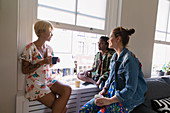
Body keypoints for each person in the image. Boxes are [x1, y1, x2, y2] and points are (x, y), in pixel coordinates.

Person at [79, 27, 148, 113]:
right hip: (111, 93)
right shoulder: (114, 57)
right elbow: (110, 78)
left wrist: (109, 100)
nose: (108, 40)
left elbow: (130, 90)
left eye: (110, 37)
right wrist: (104, 90)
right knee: (83, 111)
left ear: (118, 39)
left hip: (125, 100)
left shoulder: (130, 60)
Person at [19, 20, 71, 113]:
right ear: (41, 32)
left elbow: (47, 66)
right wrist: (43, 61)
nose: (52, 34)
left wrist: (53, 62)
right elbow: (25, 70)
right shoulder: (29, 48)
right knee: (62, 109)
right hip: (35, 84)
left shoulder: (49, 48)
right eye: (50, 32)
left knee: (67, 89)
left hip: (48, 79)